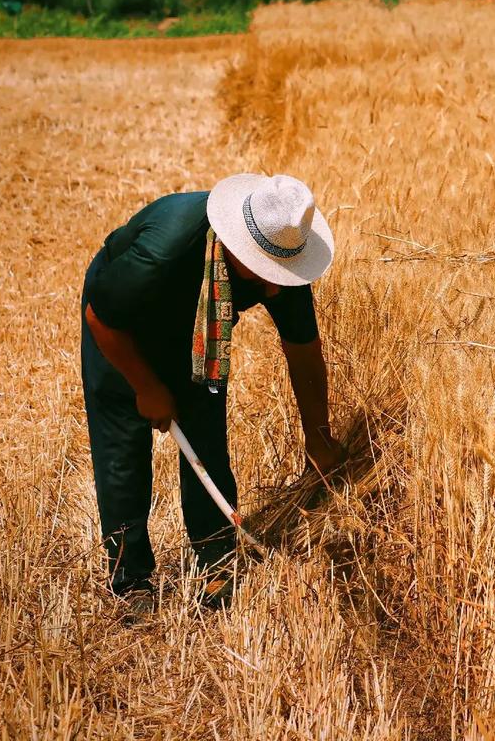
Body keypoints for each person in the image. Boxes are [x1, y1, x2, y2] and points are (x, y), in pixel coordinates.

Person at [80, 174, 345, 619]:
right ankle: (132, 578)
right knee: (122, 446)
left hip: (200, 329)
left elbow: (304, 352)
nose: (275, 289)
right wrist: (147, 388)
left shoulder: (281, 254)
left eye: (283, 273)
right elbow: (102, 316)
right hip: (123, 322)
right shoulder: (168, 248)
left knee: (205, 432)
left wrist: (318, 437)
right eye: (266, 272)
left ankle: (215, 559)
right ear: (238, 245)